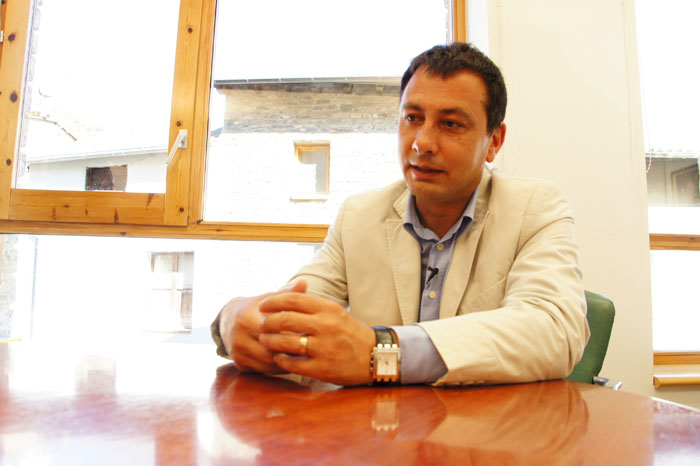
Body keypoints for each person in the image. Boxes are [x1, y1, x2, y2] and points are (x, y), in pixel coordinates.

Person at [211, 42, 589, 387]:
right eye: (412, 118)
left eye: (450, 124)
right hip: (377, 430)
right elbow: (292, 315)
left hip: (488, 431)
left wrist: (380, 351)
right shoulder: (358, 216)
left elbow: (555, 330)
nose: (422, 143)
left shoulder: (535, 208)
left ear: (494, 141)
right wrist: (231, 320)